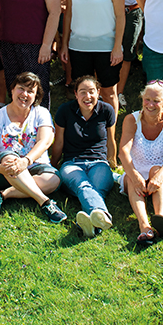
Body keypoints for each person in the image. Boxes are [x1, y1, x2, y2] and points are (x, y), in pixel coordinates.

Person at [0, 72, 68, 223]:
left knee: (54, 180)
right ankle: (45, 202)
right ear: (12, 90)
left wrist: (26, 161)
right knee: (10, 158)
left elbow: (45, 141)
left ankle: (2, 195)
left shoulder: (41, 113)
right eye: (21, 88)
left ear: (36, 96)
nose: (25, 94)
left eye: (31, 91)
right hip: (4, 171)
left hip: (34, 166)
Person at [62, 0, 127, 112]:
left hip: (106, 47)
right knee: (82, 92)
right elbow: (68, 14)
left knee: (108, 93)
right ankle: (85, 129)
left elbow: (121, 16)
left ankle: (111, 135)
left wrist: (117, 46)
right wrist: (64, 45)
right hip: (79, 46)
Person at [51, 76, 118, 239]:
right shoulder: (65, 111)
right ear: (75, 94)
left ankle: (93, 225)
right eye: (82, 92)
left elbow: (111, 139)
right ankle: (103, 216)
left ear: (98, 92)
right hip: (72, 163)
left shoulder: (107, 110)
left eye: (91, 92)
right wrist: (53, 164)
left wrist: (113, 161)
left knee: (93, 187)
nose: (87, 97)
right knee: (83, 185)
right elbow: (58, 141)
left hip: (99, 163)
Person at [118, 80, 163, 247]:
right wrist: (134, 174)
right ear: (142, 99)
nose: (151, 104)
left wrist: (159, 177)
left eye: (156, 101)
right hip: (137, 168)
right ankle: (144, 225)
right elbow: (123, 152)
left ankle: (160, 219)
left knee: (155, 169)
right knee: (134, 179)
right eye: (147, 99)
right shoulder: (131, 119)